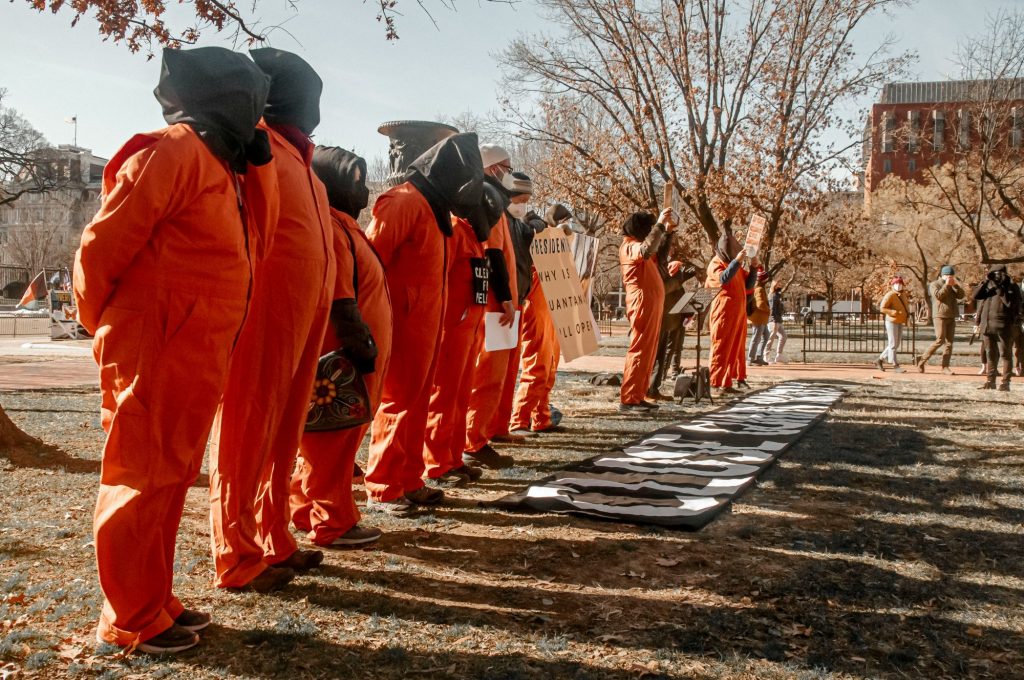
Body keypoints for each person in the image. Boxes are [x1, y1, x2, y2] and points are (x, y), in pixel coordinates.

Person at [74, 46, 273, 653]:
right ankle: (130, 615)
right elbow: (101, 248)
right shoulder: (177, 151)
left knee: (173, 473)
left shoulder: (220, 162)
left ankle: (153, 598)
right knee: (142, 472)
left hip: (192, 345)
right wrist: (102, 324)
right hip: (154, 341)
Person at [209, 48, 336, 593]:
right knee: (245, 432)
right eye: (309, 96)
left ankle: (272, 535)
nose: (315, 111)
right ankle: (234, 555)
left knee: (284, 434)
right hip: (262, 311)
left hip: (304, 314)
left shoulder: (302, 162)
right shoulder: (254, 146)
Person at [363, 132, 485, 514]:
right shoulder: (403, 202)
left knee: (416, 404)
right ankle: (382, 485)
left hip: (428, 326)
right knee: (397, 403)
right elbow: (369, 261)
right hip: (400, 324)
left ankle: (409, 478)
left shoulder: (434, 210)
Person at [287, 146, 391, 547]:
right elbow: (340, 298)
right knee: (333, 444)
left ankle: (303, 509)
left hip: (351, 357)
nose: (362, 189)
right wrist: (359, 344)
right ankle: (334, 522)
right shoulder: (329, 227)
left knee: (328, 443)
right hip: (340, 360)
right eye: (354, 180)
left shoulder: (344, 225)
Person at [422, 184, 506, 486]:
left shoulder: (473, 235)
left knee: (459, 397)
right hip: (452, 328)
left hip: (470, 328)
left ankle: (453, 457)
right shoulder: (456, 230)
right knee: (443, 397)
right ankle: (436, 463)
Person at [463, 144, 520, 469]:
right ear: (491, 167)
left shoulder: (492, 198)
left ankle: (476, 437)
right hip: (495, 307)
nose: (508, 173)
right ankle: (474, 440)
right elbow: (493, 253)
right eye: (505, 166)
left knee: (492, 375)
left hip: (499, 304)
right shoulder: (487, 199)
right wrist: (506, 296)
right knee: (487, 376)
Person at [509, 204, 570, 434]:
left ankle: (541, 417)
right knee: (536, 366)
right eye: (563, 222)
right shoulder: (534, 239)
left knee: (549, 367)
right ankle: (519, 419)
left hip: (551, 311)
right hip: (536, 311)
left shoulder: (555, 248)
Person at [618, 209, 676, 411]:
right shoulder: (630, 246)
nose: (652, 230)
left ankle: (639, 394)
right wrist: (660, 225)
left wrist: (667, 233)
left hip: (650, 303)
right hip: (641, 303)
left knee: (648, 352)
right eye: (649, 227)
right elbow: (646, 250)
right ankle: (629, 398)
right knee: (640, 349)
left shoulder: (641, 248)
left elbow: (658, 256)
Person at [706, 232, 756, 395]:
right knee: (721, 347)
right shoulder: (715, 264)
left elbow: (748, 285)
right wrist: (736, 262)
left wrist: (754, 267)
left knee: (733, 349)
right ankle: (715, 382)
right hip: (723, 313)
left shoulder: (736, 266)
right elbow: (723, 279)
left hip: (738, 313)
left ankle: (726, 383)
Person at [647, 234, 696, 401]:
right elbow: (664, 289)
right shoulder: (656, 267)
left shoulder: (662, 268)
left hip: (672, 322)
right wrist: (680, 278)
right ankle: (649, 388)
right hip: (661, 319)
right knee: (656, 357)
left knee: (661, 357)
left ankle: (654, 388)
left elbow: (678, 296)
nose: (671, 251)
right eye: (669, 248)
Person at [973, 264, 1022, 391]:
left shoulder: (1012, 286)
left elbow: (1010, 303)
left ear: (1004, 274)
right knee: (990, 354)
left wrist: (999, 288)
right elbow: (976, 296)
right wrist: (985, 282)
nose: (996, 276)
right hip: (987, 326)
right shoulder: (988, 285)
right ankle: (990, 381)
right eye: (993, 274)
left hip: (1004, 326)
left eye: (997, 274)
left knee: (1005, 354)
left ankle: (1005, 382)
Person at [916, 265, 965, 374]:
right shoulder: (934, 284)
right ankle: (922, 361)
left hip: (951, 315)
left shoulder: (953, 285)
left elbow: (961, 296)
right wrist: (947, 285)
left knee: (949, 343)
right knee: (940, 340)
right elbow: (938, 296)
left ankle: (945, 367)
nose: (950, 277)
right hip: (940, 315)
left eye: (952, 275)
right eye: (947, 275)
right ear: (942, 275)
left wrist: (956, 286)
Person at [875, 276, 910, 373]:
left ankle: (880, 360)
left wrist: (907, 316)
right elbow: (882, 308)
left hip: (900, 321)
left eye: (900, 284)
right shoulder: (890, 295)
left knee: (896, 343)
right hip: (891, 321)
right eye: (896, 284)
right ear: (892, 285)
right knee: (893, 343)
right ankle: (895, 365)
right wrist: (892, 312)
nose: (898, 286)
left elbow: (906, 307)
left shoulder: (903, 295)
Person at [746, 268, 771, 366]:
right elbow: (760, 304)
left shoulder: (759, 288)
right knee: (756, 338)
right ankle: (751, 358)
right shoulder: (759, 289)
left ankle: (759, 356)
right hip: (759, 317)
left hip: (761, 318)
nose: (767, 280)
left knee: (765, 336)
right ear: (762, 279)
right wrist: (769, 310)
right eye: (765, 279)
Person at [764, 281, 787, 364]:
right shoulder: (772, 296)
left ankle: (779, 355)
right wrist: (773, 320)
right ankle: (766, 356)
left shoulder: (778, 296)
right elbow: (772, 309)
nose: (780, 286)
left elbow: (779, 308)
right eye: (778, 285)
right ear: (774, 286)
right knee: (771, 338)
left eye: (781, 284)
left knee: (783, 336)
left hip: (778, 320)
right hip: (773, 320)